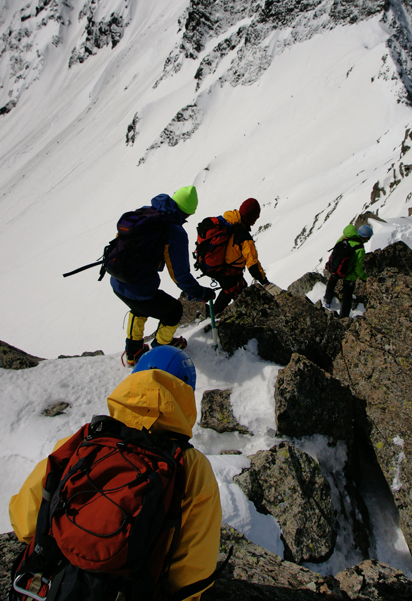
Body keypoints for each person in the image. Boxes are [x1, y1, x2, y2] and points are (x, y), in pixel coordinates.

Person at [9, 344, 222, 601]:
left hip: (54, 585)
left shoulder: (84, 440)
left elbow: (24, 522)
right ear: (186, 395)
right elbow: (192, 577)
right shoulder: (192, 467)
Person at [112, 187, 215, 365]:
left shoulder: (146, 213)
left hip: (117, 280)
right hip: (139, 287)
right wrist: (200, 292)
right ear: (187, 213)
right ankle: (160, 350)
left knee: (139, 308)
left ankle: (133, 351)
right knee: (174, 311)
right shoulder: (174, 231)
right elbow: (180, 275)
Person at [211, 198, 270, 316]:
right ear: (253, 219)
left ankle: (213, 314)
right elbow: (253, 265)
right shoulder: (244, 238)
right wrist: (265, 282)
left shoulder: (229, 220)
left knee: (230, 289)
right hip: (229, 272)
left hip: (216, 265)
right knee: (241, 294)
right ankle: (213, 316)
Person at [323, 223, 373, 317]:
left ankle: (327, 300)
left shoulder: (345, 237)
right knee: (347, 295)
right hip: (349, 275)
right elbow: (358, 267)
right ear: (365, 237)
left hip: (336, 267)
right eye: (368, 237)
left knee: (332, 281)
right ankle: (344, 316)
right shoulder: (360, 248)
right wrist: (364, 277)